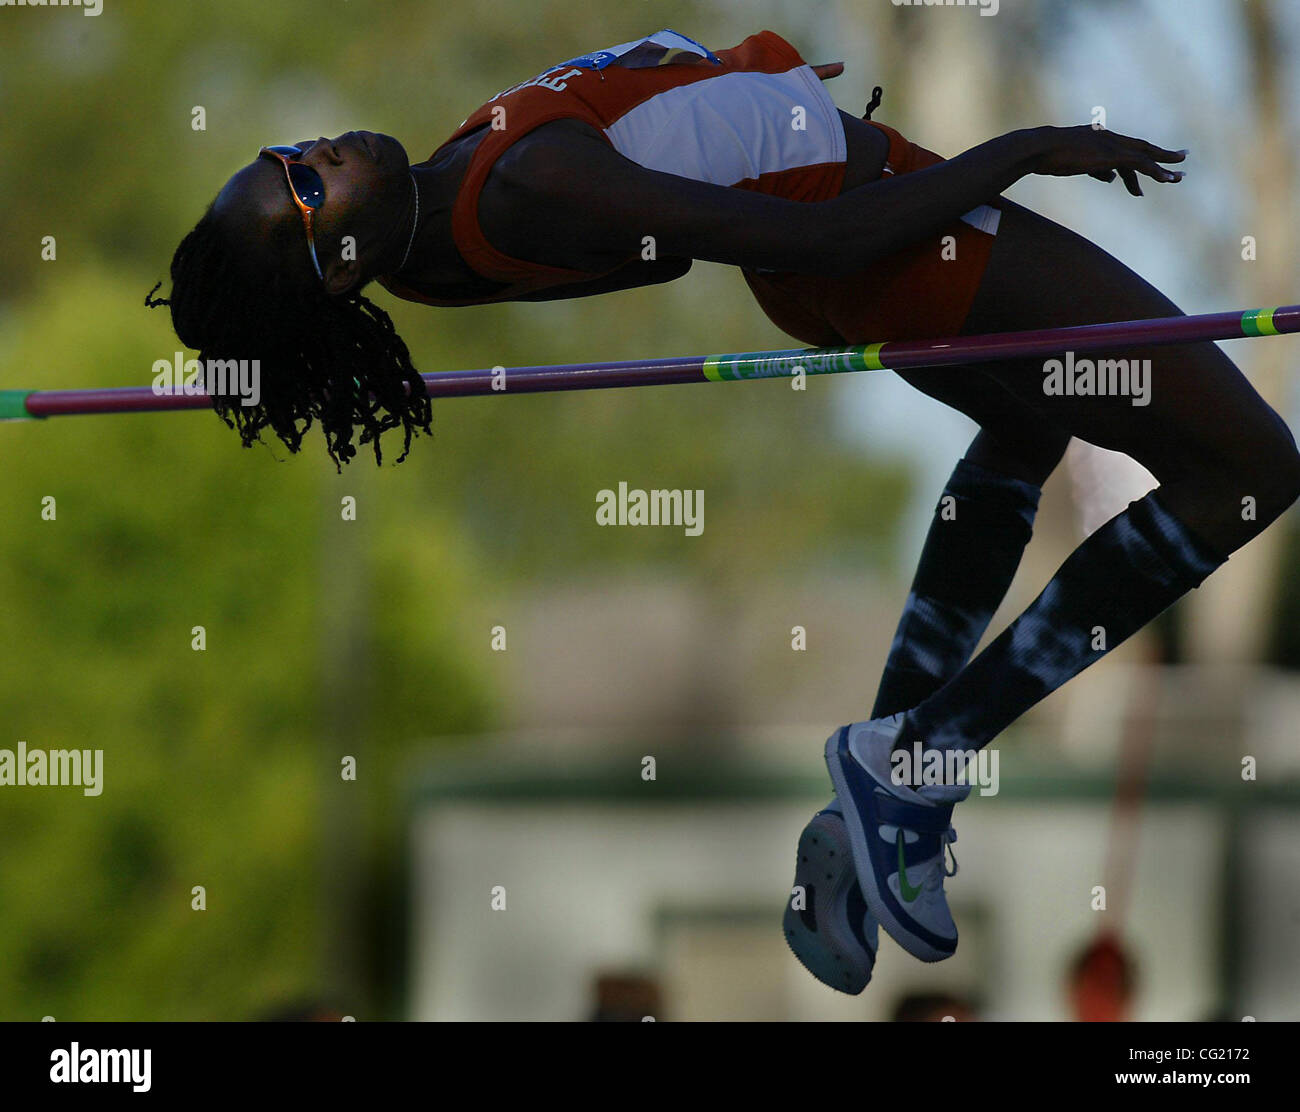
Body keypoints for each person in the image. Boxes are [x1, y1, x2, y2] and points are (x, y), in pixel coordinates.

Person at [149, 29, 1300, 990]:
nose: (318, 150)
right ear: (339, 272)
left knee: (1028, 421)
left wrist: (761, 103)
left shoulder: (431, 241)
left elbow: (650, 233)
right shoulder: (517, 188)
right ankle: (926, 754)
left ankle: (876, 800)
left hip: (840, 257)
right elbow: (816, 232)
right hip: (889, 235)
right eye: (305, 187)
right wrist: (1027, 148)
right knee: (1246, 467)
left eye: (287, 151)